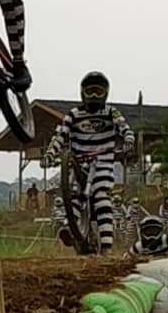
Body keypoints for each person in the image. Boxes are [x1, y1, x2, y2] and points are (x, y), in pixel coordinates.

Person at [43, 72, 135, 253]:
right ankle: (71, 230)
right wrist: (50, 154)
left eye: (98, 92)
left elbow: (123, 126)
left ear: (105, 93)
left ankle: (106, 247)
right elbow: (61, 135)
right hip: (79, 163)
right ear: (82, 92)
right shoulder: (74, 114)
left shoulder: (111, 111)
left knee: (101, 197)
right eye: (90, 91)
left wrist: (128, 139)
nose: (93, 96)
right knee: (73, 196)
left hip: (102, 163)